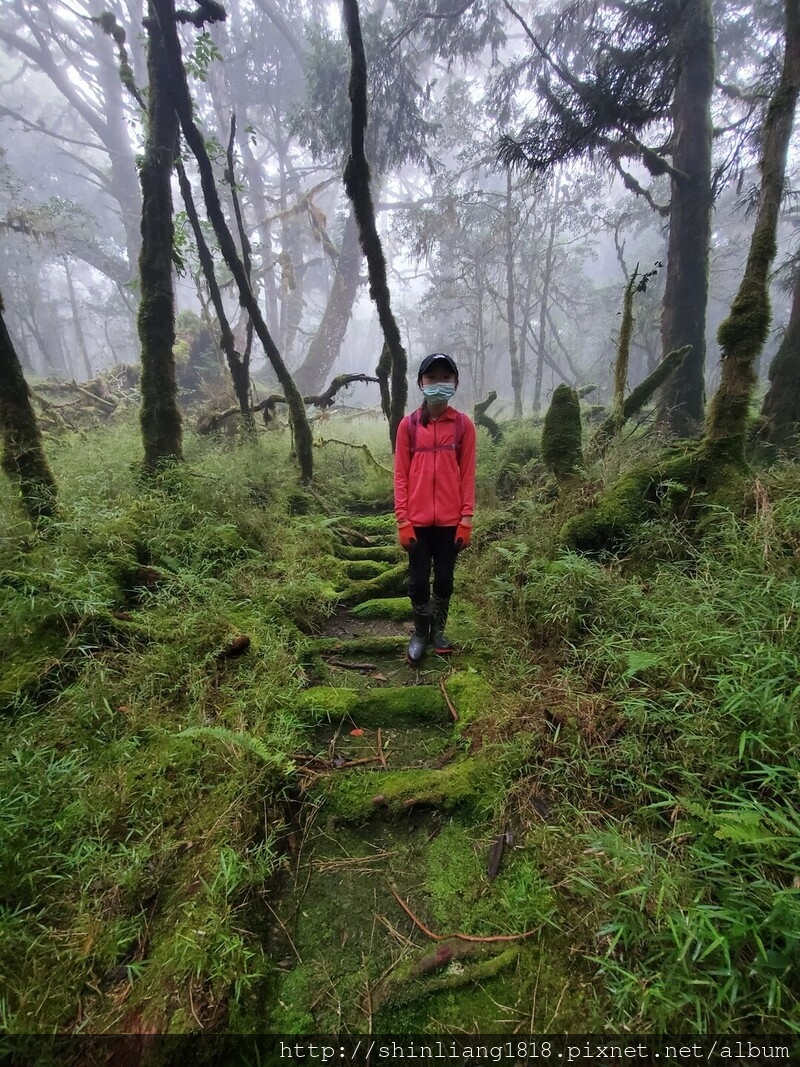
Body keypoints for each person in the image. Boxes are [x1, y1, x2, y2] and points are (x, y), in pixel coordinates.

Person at [393, 353, 477, 665]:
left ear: (455, 382)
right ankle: (419, 633)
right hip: (416, 522)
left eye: (445, 377)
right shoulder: (409, 426)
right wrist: (402, 520)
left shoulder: (463, 426)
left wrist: (466, 520)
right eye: (431, 378)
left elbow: (468, 475)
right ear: (420, 383)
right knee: (416, 582)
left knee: (444, 581)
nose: (438, 384)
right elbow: (400, 475)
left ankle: (438, 631)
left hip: (449, 523)